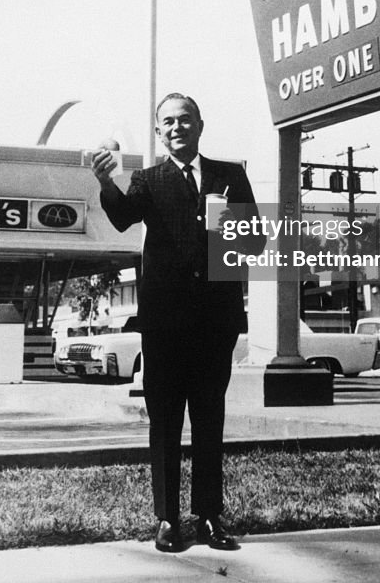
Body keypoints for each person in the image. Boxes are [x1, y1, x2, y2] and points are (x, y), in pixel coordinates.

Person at [91, 92, 264, 553]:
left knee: (210, 418)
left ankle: (209, 517)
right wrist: (107, 182)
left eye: (184, 119)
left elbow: (255, 245)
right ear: (158, 132)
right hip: (165, 321)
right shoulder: (148, 180)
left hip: (215, 319)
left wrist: (226, 224)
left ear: (200, 125)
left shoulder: (231, 176)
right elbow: (124, 217)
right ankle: (167, 520)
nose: (176, 127)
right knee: (165, 420)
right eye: (167, 122)